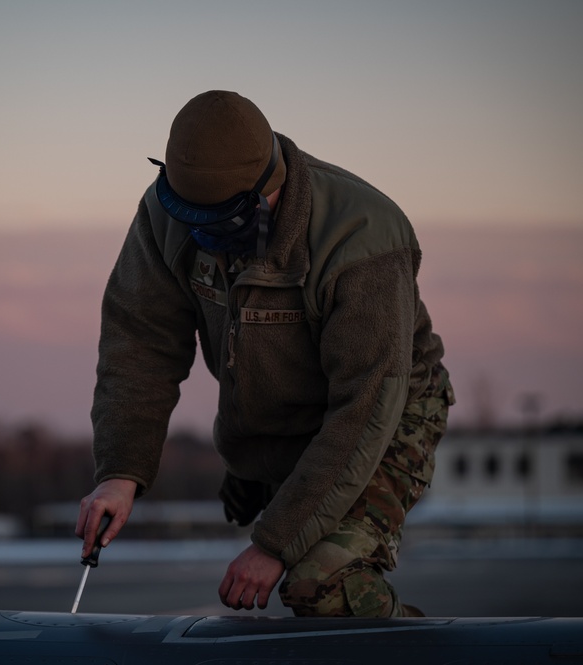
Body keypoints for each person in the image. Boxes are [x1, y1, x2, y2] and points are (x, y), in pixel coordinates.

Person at [76, 90, 454, 617]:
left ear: (265, 196)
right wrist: (119, 472)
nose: (203, 238)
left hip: (387, 413)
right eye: (190, 219)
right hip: (278, 409)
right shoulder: (169, 214)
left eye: (220, 224)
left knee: (319, 585)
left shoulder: (362, 236)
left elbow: (365, 408)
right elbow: (140, 342)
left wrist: (274, 542)